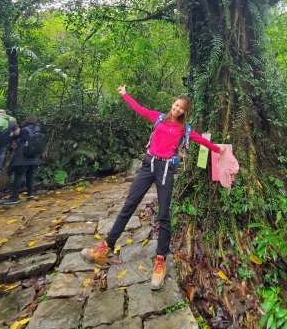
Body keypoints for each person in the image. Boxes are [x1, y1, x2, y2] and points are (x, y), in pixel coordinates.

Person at [81, 85, 226, 290]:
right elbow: (139, 109)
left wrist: (217, 149)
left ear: (184, 112)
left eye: (181, 108)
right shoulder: (158, 118)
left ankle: (160, 260)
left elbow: (201, 139)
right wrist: (124, 94)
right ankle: (105, 248)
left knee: (164, 213)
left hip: (166, 168)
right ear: (172, 104)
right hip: (148, 164)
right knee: (129, 205)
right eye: (176, 105)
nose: (177, 109)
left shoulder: (184, 129)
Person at [3, 115, 41, 204]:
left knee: (18, 177)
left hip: (22, 158)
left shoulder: (23, 130)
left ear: (26, 121)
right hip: (34, 158)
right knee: (30, 175)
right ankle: (30, 193)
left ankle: (14, 197)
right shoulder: (38, 129)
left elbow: (12, 137)